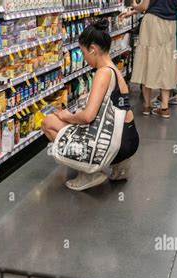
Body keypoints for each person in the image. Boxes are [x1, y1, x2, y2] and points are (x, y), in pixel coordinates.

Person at [41, 19, 139, 191]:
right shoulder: (114, 69)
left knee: (48, 122)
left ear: (93, 49)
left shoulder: (103, 73)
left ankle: (89, 172)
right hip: (129, 138)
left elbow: (88, 117)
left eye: (84, 52)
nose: (84, 58)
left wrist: (67, 116)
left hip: (117, 143)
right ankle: (119, 165)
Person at [120, 0, 177, 119]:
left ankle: (147, 105)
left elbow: (145, 6)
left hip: (153, 23)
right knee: (166, 62)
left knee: (148, 60)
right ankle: (164, 107)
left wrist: (134, 6)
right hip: (170, 23)